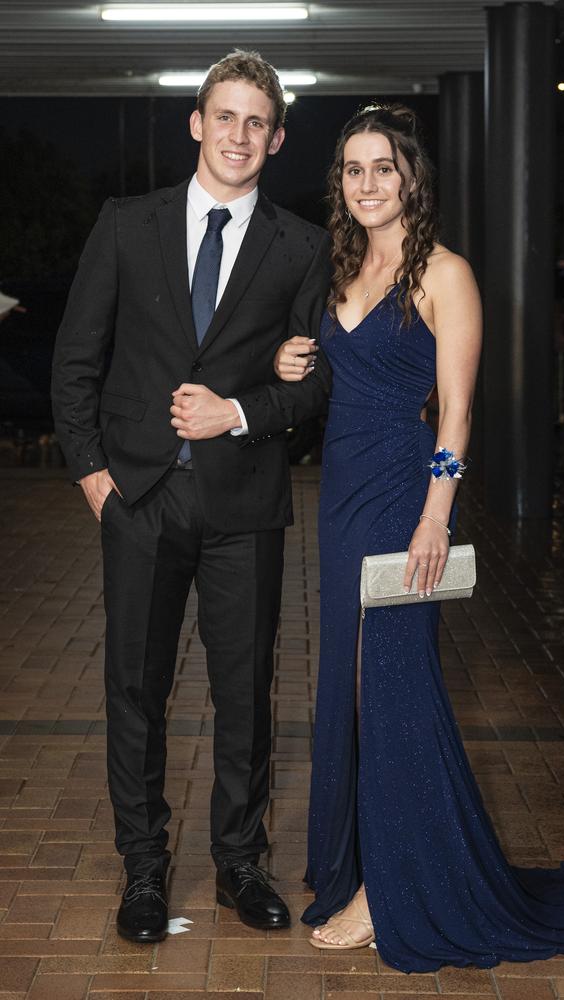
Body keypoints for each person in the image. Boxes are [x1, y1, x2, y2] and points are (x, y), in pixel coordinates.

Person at [273, 103, 564, 973]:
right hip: (341, 493)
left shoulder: (446, 274)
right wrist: (295, 363)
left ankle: (388, 891)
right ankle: (365, 864)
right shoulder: (339, 272)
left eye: (383, 169)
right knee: (354, 688)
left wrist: (436, 515)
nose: (368, 184)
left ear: (411, 180)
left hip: (405, 495)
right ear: (343, 185)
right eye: (354, 171)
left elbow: (459, 410)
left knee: (392, 685)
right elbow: (337, 378)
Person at [51, 50, 331, 944]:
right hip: (136, 496)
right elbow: (76, 363)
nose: (239, 135)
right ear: (197, 124)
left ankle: (240, 865)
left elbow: (313, 388)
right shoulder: (127, 225)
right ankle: (144, 871)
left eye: (258, 121)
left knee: (246, 693)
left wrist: (241, 411)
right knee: (135, 691)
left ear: (277, 138)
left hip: (244, 505)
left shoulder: (301, 247)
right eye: (226, 116)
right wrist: (95, 475)